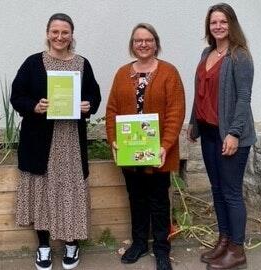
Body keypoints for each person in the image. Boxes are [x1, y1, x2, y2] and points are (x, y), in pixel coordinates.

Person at [10, 13, 101, 270]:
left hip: (71, 139)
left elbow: (94, 95)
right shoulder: (32, 63)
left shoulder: (82, 64)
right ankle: (44, 247)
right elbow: (17, 96)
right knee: (42, 191)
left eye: (65, 32)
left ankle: (72, 243)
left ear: (72, 35)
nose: (60, 37)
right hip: (40, 141)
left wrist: (88, 105)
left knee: (71, 190)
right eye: (55, 32)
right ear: (47, 33)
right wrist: (34, 106)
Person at [105, 23, 185, 270]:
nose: (143, 44)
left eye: (148, 39)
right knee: (136, 198)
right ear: (132, 44)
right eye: (138, 40)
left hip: (158, 153)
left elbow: (176, 112)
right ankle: (139, 243)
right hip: (130, 151)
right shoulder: (121, 74)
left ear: (155, 42)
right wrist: (114, 140)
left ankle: (162, 249)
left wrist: (165, 146)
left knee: (159, 201)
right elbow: (111, 111)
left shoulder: (169, 72)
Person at [187, 3, 256, 270]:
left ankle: (237, 249)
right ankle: (224, 240)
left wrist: (235, 133)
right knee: (217, 190)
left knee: (231, 192)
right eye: (214, 22)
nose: (218, 26)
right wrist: (194, 123)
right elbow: (200, 91)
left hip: (230, 136)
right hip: (209, 132)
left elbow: (244, 99)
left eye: (223, 22)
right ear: (209, 26)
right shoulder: (207, 52)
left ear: (232, 24)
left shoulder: (240, 56)